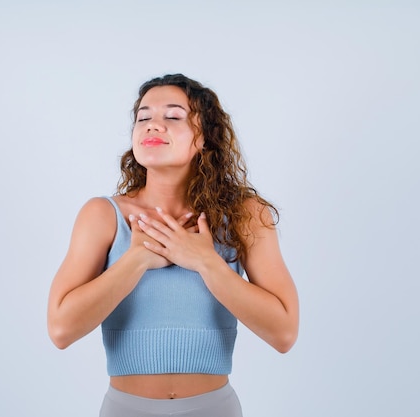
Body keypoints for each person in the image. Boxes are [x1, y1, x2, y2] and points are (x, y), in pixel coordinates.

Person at [47, 73, 299, 417]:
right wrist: (136, 259)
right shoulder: (103, 215)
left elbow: (284, 333)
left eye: (173, 116)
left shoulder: (244, 215)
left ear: (204, 139)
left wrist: (206, 263)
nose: (153, 125)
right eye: (144, 117)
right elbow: (61, 329)